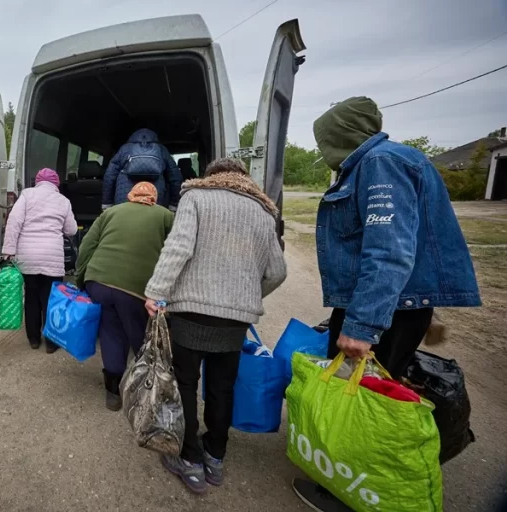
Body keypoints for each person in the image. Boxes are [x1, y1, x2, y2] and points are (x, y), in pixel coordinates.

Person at [291, 97, 481, 510]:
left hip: (388, 308)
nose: (323, 148)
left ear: (340, 135)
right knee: (368, 391)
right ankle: (354, 477)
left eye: (324, 139)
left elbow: (388, 250)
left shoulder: (381, 164)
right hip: (391, 303)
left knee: (362, 397)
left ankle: (348, 490)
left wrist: (361, 325)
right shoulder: (387, 160)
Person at [144, 157, 287, 494]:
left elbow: (178, 248)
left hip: (190, 313)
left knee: (185, 385)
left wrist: (156, 291)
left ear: (211, 177)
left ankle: (189, 460)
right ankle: (215, 457)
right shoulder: (264, 212)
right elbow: (277, 272)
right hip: (235, 319)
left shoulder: (195, 197)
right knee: (222, 388)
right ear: (244, 179)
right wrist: (247, 295)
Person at [75, 182, 174, 411]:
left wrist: (82, 278)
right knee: (140, 337)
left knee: (110, 332)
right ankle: (142, 390)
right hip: (136, 289)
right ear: (154, 197)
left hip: (98, 281)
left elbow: (86, 246)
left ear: (131, 196)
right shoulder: (166, 216)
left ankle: (112, 392)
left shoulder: (110, 212)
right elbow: (175, 252)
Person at [2, 168, 77, 353]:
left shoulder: (27, 195)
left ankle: (34, 339)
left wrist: (9, 250)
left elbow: (14, 222)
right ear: (56, 184)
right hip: (52, 257)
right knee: (51, 299)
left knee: (32, 298)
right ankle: (51, 343)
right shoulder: (63, 201)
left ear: (37, 182)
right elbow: (71, 230)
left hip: (28, 257)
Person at [102, 128, 183, 211]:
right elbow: (175, 179)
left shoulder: (124, 149)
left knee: (125, 221)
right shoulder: (162, 150)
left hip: (124, 198)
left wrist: (106, 204)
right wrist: (174, 204)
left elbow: (109, 177)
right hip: (155, 199)